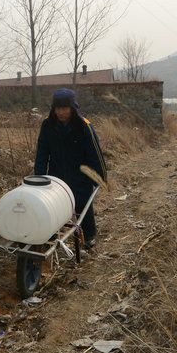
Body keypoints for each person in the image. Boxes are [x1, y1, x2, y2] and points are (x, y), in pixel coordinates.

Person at [33, 88, 107, 248]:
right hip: (57, 174)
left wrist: (100, 176)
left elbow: (95, 153)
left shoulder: (83, 126)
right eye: (57, 108)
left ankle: (89, 235)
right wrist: (38, 177)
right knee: (53, 205)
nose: (60, 112)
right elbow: (42, 153)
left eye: (64, 108)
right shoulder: (47, 125)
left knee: (82, 203)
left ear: (72, 108)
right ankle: (51, 234)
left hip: (80, 174)